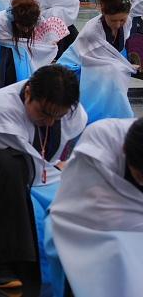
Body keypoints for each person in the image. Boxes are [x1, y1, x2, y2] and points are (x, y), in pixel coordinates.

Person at [0, 65, 87, 290]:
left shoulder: (71, 112)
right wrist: (58, 173)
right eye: (44, 113)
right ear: (28, 93)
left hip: (38, 171)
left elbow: (53, 161)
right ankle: (3, 263)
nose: (50, 122)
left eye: (57, 117)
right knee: (9, 164)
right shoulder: (3, 106)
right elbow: (35, 169)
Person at [46, 117, 143, 297]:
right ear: (124, 150)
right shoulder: (101, 140)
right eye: (141, 174)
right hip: (85, 225)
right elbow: (89, 204)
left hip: (128, 227)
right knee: (112, 252)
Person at [58, 0, 137, 124]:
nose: (119, 24)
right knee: (114, 74)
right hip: (77, 66)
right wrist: (123, 65)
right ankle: (108, 118)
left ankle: (114, 118)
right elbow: (95, 61)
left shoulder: (128, 22)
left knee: (115, 73)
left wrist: (124, 63)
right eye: (113, 20)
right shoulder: (92, 31)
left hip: (106, 65)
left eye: (122, 19)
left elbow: (116, 52)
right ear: (103, 12)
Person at [0, 0, 63, 93]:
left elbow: (47, 34)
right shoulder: (1, 21)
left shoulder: (37, 19)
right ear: (15, 20)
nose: (26, 30)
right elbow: (9, 44)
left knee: (21, 52)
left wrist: (50, 43)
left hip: (15, 46)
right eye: (23, 26)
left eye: (29, 26)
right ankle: (2, 86)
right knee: (9, 55)